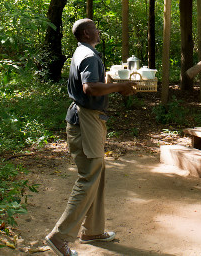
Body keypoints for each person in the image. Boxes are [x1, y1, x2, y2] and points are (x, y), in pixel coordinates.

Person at [45, 18, 137, 256]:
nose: (98, 31)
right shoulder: (88, 55)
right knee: (89, 176)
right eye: (95, 28)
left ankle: (93, 230)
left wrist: (112, 79)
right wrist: (119, 87)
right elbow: (90, 88)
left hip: (89, 119)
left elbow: (95, 83)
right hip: (85, 120)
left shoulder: (83, 52)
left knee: (98, 172)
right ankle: (59, 236)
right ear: (87, 33)